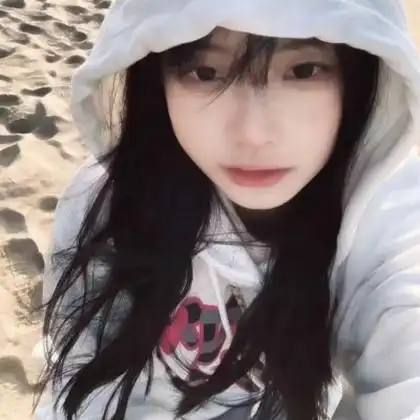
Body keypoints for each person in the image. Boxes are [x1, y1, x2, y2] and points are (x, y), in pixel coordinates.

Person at [34, 0, 420, 419]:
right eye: (205, 72)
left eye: (304, 70)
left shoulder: (388, 219)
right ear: (156, 81)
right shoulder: (106, 204)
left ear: (359, 78)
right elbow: (82, 380)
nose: (252, 133)